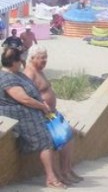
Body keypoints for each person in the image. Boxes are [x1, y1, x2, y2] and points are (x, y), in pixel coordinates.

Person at [0, 48, 65, 189]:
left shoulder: (16, 74)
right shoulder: (6, 78)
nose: (22, 62)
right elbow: (23, 98)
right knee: (46, 141)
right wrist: (42, 106)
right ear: (14, 62)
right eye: (20, 60)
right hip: (21, 115)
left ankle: (61, 173)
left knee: (60, 136)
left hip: (33, 113)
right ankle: (51, 178)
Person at [23, 45, 83, 187]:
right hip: (42, 115)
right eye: (42, 58)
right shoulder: (29, 73)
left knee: (68, 136)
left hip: (52, 113)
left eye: (46, 57)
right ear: (32, 58)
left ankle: (66, 170)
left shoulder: (39, 70)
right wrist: (43, 106)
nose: (45, 60)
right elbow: (28, 95)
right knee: (60, 140)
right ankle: (58, 175)